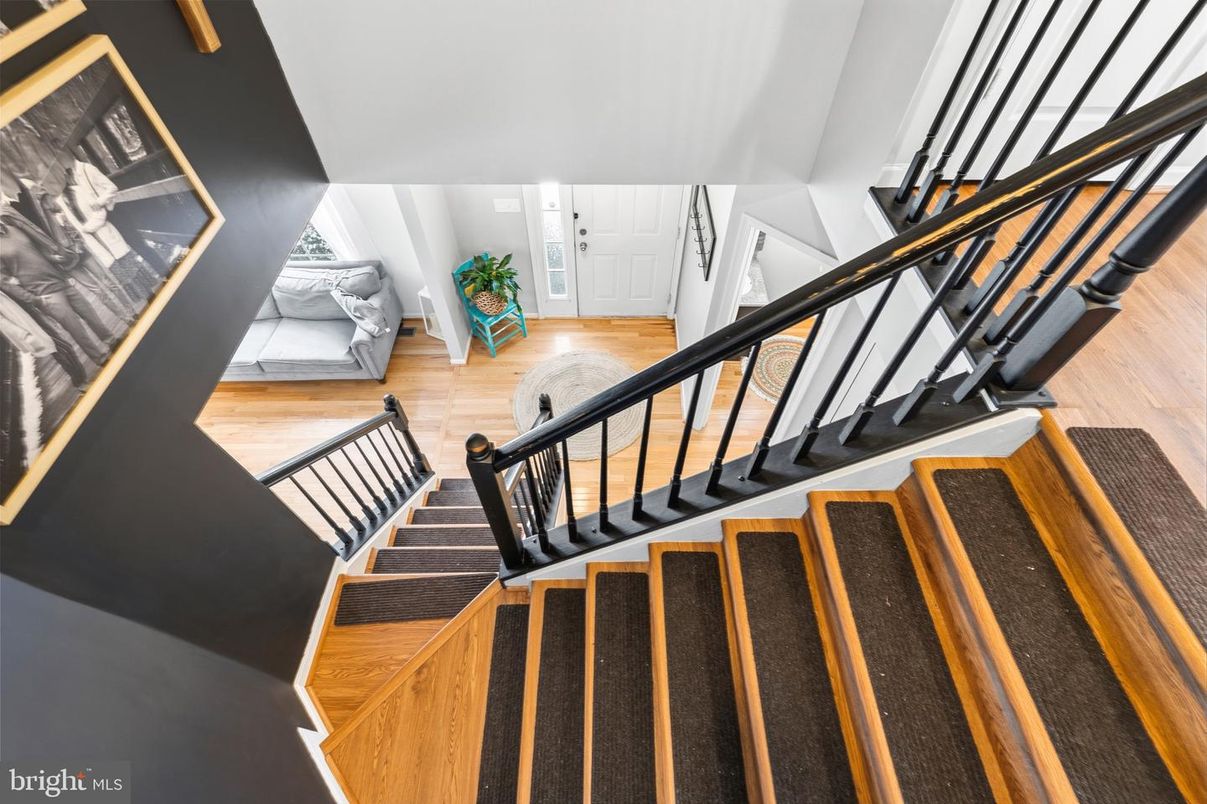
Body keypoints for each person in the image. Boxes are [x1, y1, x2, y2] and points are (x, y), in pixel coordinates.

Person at [0, 170, 115, 367]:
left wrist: (56, 260)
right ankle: (100, 357)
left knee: (89, 312)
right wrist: (34, 299)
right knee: (76, 329)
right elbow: (5, 282)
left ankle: (111, 340)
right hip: (44, 294)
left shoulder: (12, 225)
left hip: (59, 279)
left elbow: (39, 245)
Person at [64, 157, 160, 304]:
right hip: (103, 222)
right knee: (122, 257)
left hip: (115, 214)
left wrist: (99, 202)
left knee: (138, 246)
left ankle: (164, 272)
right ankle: (147, 292)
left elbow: (111, 187)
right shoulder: (70, 178)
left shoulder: (86, 169)